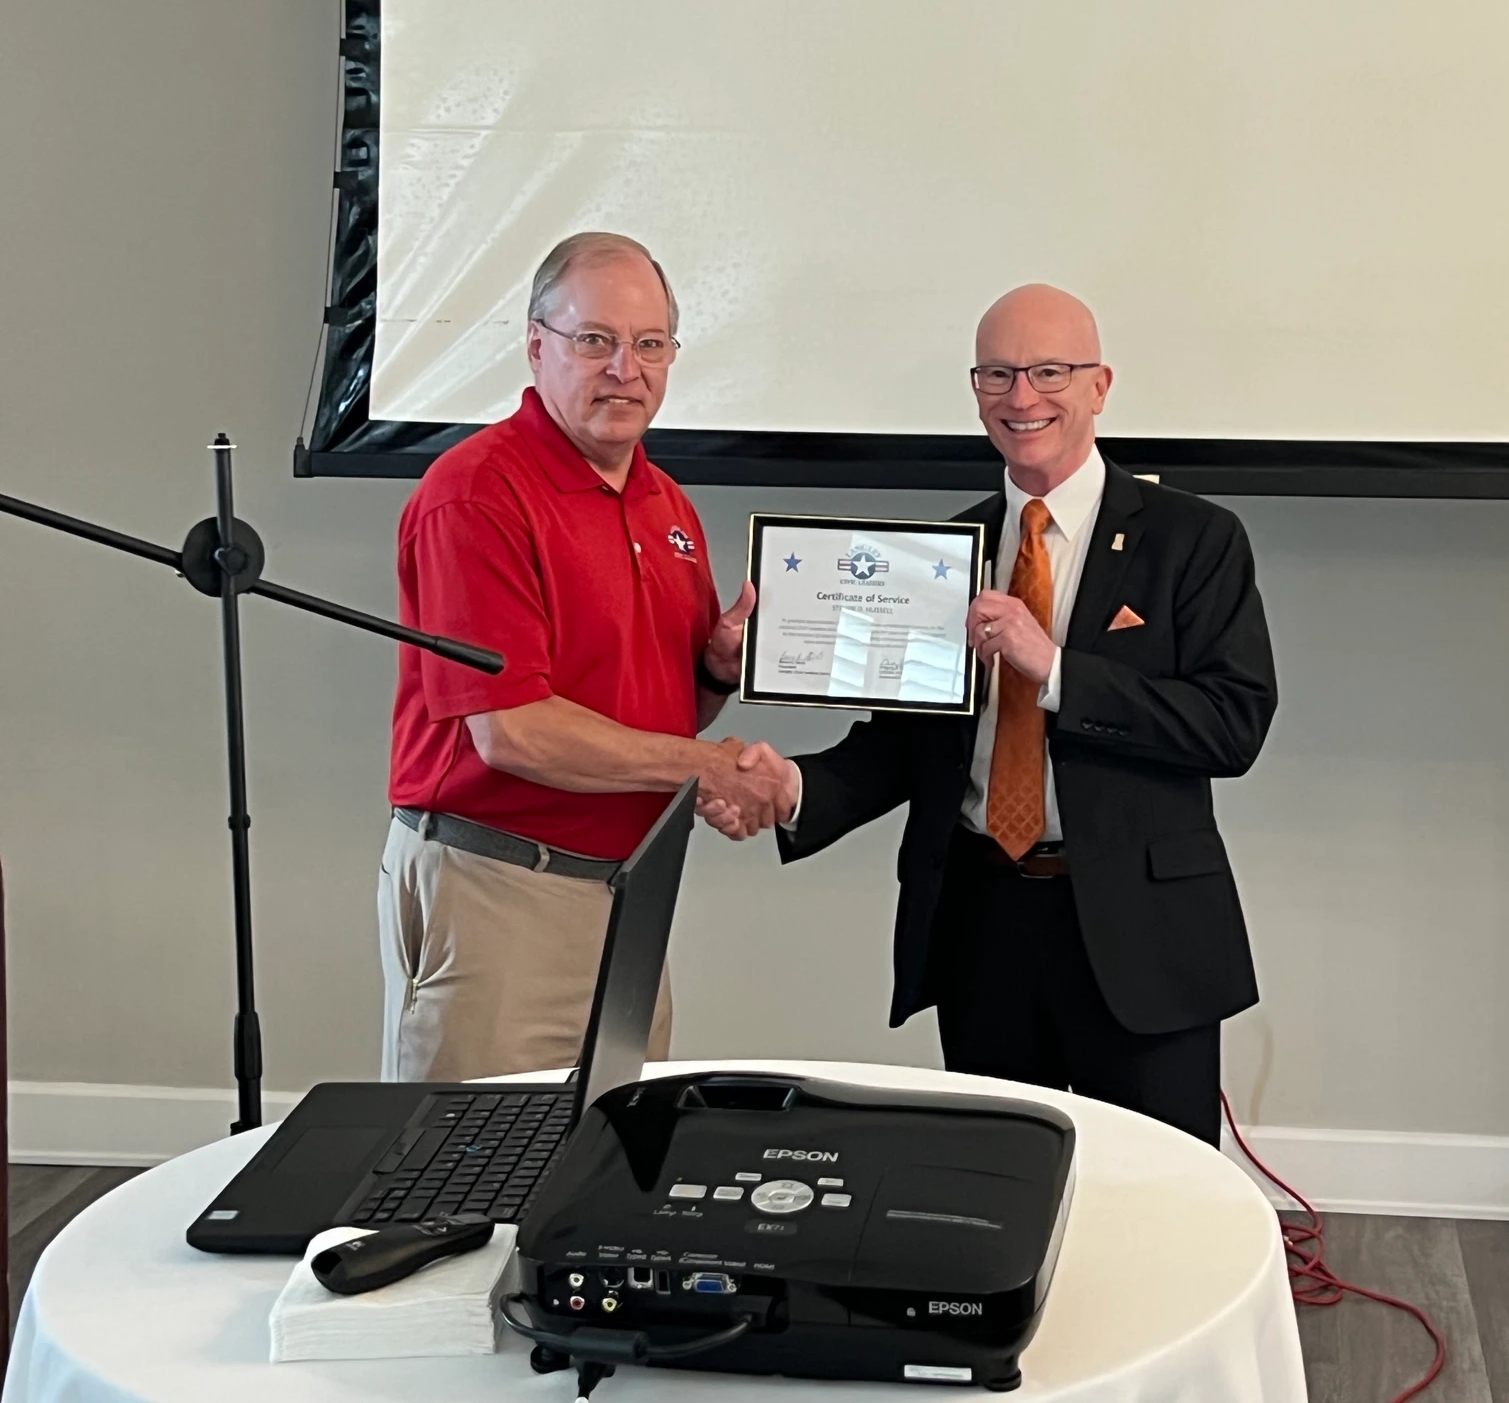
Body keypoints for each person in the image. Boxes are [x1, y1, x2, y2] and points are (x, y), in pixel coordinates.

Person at [700, 284, 1276, 1143]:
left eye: (1049, 371)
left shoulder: (1194, 540)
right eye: (996, 375)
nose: (1021, 398)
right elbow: (903, 748)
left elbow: (1231, 724)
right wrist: (791, 787)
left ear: (1099, 385)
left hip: (1138, 933)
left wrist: (1053, 669)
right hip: (980, 921)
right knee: (995, 1186)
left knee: (1158, 1195)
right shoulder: (943, 555)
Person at [381, 231, 788, 1082]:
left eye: (649, 345)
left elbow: (661, 709)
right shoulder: (476, 494)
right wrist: (707, 768)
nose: (624, 369)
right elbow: (512, 732)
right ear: (536, 345)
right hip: (501, 890)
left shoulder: (662, 500)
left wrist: (712, 669)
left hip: (629, 898)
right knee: (462, 1183)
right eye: (594, 340)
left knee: (605, 1176)